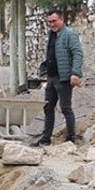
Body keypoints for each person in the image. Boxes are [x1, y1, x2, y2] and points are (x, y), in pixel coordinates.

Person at [32, 10, 83, 147]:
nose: (51, 24)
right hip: (52, 77)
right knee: (48, 107)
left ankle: (71, 138)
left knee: (65, 107)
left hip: (64, 78)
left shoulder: (69, 35)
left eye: (54, 21)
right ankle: (45, 139)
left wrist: (75, 73)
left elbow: (77, 53)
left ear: (62, 20)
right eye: (49, 22)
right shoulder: (52, 35)